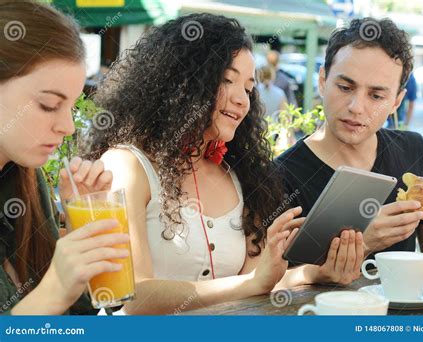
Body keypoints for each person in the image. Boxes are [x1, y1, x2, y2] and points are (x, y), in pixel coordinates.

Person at [85, 13, 364, 315]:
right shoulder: (127, 166)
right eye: (227, 79)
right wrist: (250, 284)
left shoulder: (239, 175)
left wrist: (313, 273)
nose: (243, 100)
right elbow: (134, 296)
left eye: (247, 87)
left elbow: (258, 281)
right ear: (183, 81)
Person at [276, 18, 423, 261]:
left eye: (376, 95)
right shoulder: (279, 177)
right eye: (345, 87)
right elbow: (271, 285)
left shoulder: (415, 151)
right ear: (322, 81)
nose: (356, 107)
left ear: (396, 101)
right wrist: (364, 243)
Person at [0, 0, 129, 315]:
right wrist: (54, 289)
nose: (68, 127)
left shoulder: (25, 180)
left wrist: (82, 229)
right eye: (48, 104)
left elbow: (79, 317)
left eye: (70, 106)